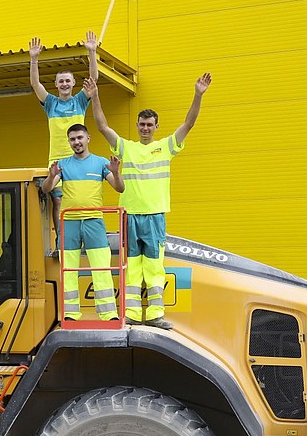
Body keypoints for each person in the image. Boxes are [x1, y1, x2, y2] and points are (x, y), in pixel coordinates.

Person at [85, 72, 212, 328]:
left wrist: (198, 95)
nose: (145, 128)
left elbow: (189, 124)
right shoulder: (126, 147)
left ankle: (155, 315)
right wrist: (95, 97)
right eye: (141, 124)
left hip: (154, 216)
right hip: (130, 215)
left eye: (149, 124)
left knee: (154, 267)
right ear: (137, 126)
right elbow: (102, 126)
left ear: (156, 127)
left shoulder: (165, 147)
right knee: (132, 267)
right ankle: (132, 315)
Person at [42, 124, 123, 322]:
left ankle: (108, 314)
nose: (76, 142)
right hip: (69, 222)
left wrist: (116, 172)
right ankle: (70, 314)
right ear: (69, 142)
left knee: (101, 267)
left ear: (88, 138)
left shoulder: (101, 163)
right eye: (72, 139)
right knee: (68, 269)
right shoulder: (63, 164)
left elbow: (120, 188)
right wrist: (52, 175)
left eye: (79, 137)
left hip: (94, 221)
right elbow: (46, 189)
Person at [29, 31, 100, 237]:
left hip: (78, 159)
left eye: (68, 81)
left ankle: (80, 235)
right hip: (57, 159)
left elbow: (93, 79)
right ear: (57, 85)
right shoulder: (51, 103)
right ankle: (61, 238)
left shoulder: (79, 101)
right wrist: (34, 59)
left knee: (80, 198)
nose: (64, 84)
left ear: (73, 83)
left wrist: (92, 52)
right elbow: (35, 84)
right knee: (58, 200)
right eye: (61, 81)